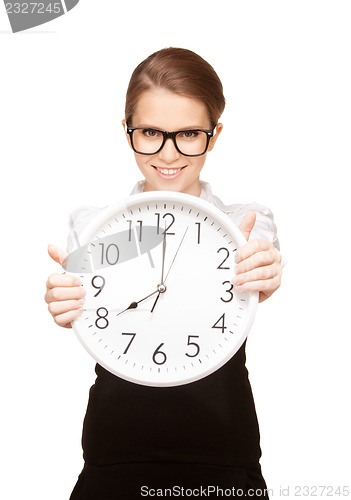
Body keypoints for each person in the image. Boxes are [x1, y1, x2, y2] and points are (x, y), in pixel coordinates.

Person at [45, 47, 283, 499]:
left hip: (222, 452)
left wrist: (265, 269)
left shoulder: (245, 222)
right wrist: (61, 297)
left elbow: (262, 263)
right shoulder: (92, 225)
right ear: (127, 131)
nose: (168, 153)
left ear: (213, 137)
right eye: (151, 132)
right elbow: (77, 292)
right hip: (116, 448)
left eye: (189, 133)